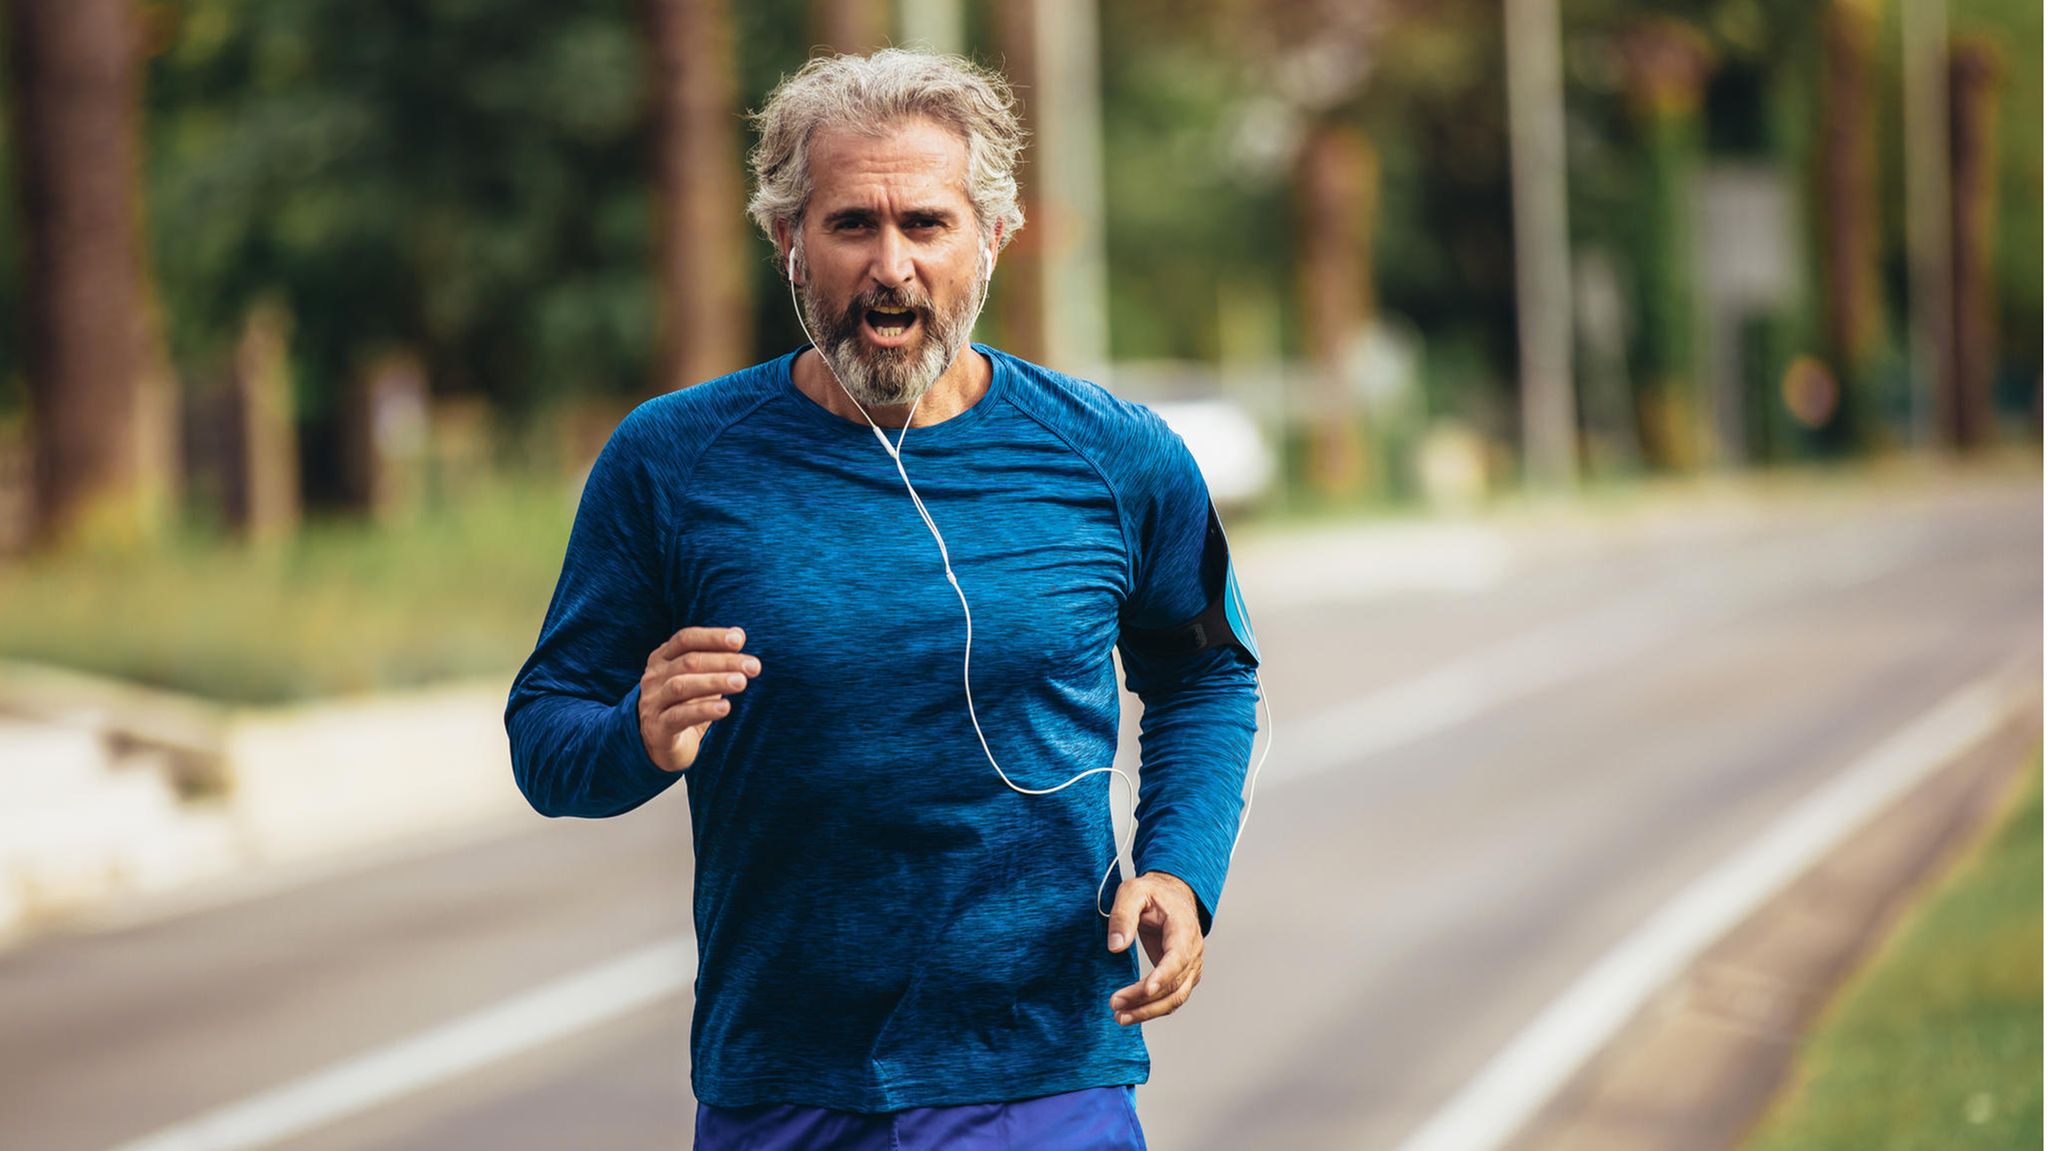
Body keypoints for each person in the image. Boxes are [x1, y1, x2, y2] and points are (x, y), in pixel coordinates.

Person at [505, 47, 1262, 1151]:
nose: (890, 265)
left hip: (1039, 1073)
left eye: (926, 224)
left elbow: (1204, 672)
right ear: (787, 242)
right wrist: (634, 735)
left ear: (992, 237)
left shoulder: (1113, 457)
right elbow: (543, 729)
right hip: (783, 1081)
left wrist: (1181, 871)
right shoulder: (672, 462)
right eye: (851, 224)